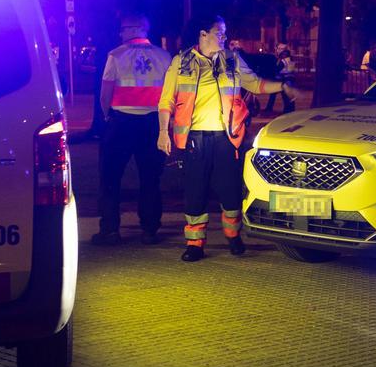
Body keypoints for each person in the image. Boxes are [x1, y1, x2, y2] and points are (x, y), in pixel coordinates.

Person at [157, 14, 300, 262]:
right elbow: (166, 101)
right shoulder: (181, 62)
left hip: (228, 138)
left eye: (224, 32)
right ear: (203, 34)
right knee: (194, 192)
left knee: (230, 191)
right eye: (219, 32)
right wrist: (162, 132)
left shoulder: (232, 60)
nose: (224, 37)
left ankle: (233, 236)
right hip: (194, 139)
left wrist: (282, 86)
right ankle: (195, 244)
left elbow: (255, 85)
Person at [91, 14, 173, 246]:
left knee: (110, 177)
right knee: (150, 179)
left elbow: (106, 92)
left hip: (121, 123)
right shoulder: (163, 56)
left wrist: (107, 115)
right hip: (152, 123)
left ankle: (110, 230)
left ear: (136, 29)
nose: (120, 33)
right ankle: (149, 230)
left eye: (123, 29)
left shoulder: (116, 55)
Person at [264, 49, 296, 114]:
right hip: (288, 81)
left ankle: (270, 109)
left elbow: (277, 70)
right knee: (288, 96)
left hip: (281, 81)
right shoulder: (291, 61)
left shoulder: (283, 62)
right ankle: (289, 109)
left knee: (282, 96)